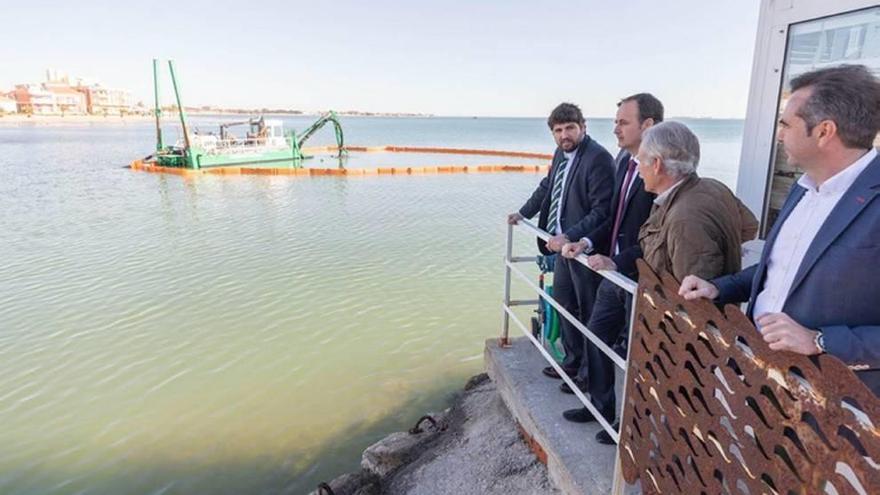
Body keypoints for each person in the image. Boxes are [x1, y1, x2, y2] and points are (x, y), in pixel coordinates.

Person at [679, 65, 880, 395]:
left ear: (824, 131)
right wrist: (718, 288)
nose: (779, 134)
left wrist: (820, 340)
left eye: (786, 124)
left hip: (830, 406)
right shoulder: (801, 188)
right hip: (759, 379)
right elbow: (784, 268)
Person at [557, 94, 662, 442]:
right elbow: (609, 215)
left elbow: (656, 238)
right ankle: (600, 408)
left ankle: (631, 426)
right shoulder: (622, 160)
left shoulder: (662, 169)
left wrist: (618, 260)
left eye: (622, 122)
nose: (615, 128)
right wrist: (585, 243)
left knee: (637, 357)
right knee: (597, 336)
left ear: (647, 126)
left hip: (640, 275)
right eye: (616, 121)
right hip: (611, 270)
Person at [508, 103, 615, 379]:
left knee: (589, 312)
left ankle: (589, 374)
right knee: (564, 304)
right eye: (558, 130)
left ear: (583, 127)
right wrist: (522, 213)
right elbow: (547, 187)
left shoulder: (598, 158)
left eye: (570, 128)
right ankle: (572, 361)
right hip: (563, 250)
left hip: (583, 250)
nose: (564, 134)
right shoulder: (561, 153)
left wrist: (569, 236)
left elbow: (603, 210)